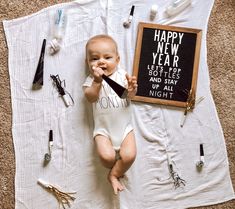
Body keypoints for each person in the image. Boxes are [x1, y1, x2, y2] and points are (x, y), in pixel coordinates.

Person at [83, 34, 138, 195]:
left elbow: (130, 96)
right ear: (88, 63)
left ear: (117, 60)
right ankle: (113, 166)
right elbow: (90, 97)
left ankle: (113, 175)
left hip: (125, 129)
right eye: (94, 58)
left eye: (107, 57)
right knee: (106, 158)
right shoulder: (90, 80)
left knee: (130, 155)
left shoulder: (122, 76)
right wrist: (97, 82)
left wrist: (132, 89)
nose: (101, 61)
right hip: (103, 131)